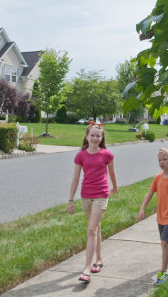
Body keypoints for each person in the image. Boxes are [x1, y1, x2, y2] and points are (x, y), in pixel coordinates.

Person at [67, 122, 118, 284]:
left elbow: (111, 172)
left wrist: (115, 187)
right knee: (95, 227)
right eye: (92, 135)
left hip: (101, 194)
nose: (95, 138)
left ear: (101, 138)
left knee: (91, 228)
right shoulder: (81, 155)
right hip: (86, 195)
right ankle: (99, 259)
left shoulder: (106, 155)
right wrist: (71, 200)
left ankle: (87, 268)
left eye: (98, 135)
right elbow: (75, 178)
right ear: (87, 137)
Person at [137, 147, 168, 285]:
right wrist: (142, 208)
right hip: (160, 217)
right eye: (159, 160)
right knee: (166, 241)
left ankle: (163, 273)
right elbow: (150, 193)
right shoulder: (158, 177)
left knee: (164, 243)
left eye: (165, 159)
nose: (161, 162)